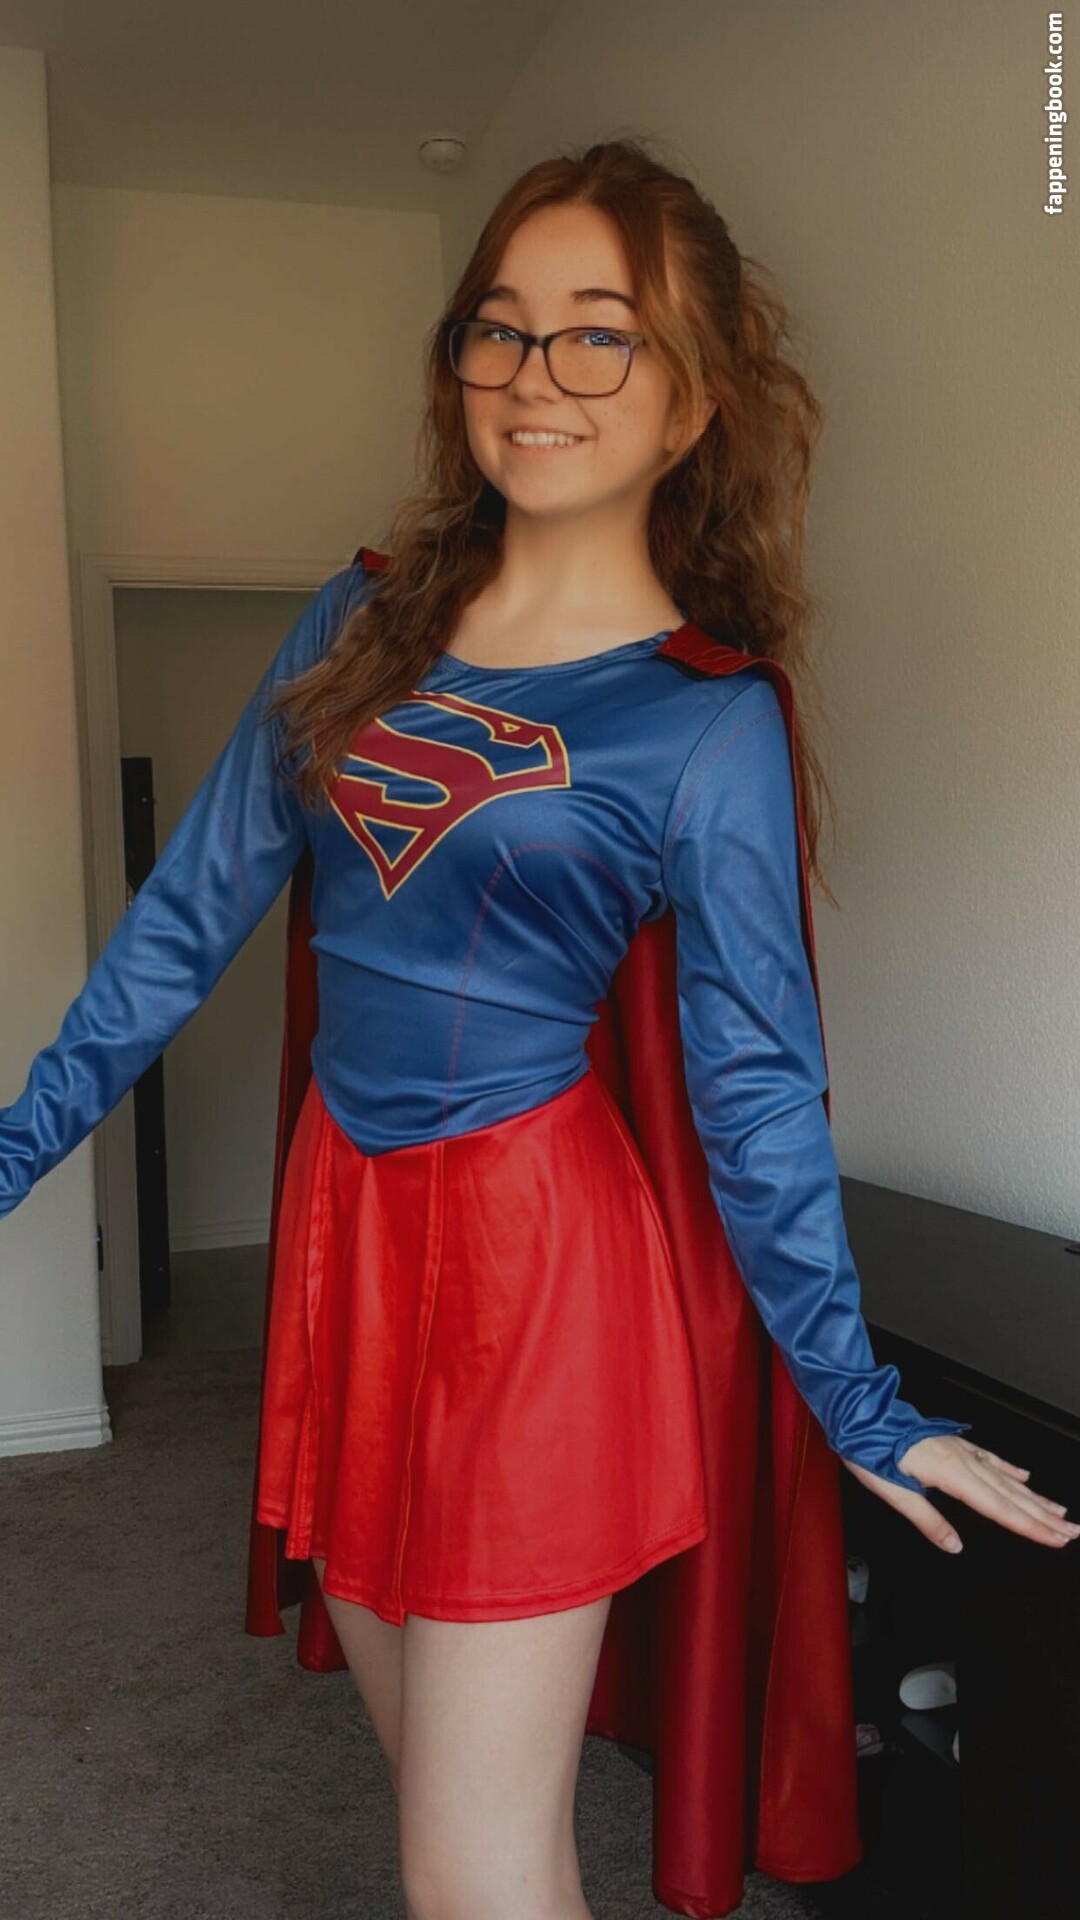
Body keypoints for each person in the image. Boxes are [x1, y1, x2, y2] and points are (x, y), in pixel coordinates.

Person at [1, 137, 1074, 1920]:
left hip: (536, 1268)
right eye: (498, 327)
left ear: (691, 398)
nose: (533, 374)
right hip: (344, 1234)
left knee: (475, 1871)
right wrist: (12, 1149)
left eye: (599, 333)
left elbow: (754, 1085)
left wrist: (859, 1402)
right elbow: (184, 922)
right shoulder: (357, 619)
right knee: (452, 1806)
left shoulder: (706, 719)